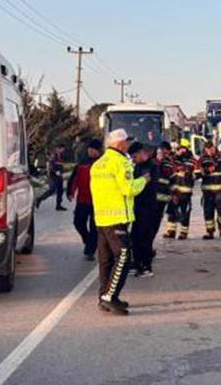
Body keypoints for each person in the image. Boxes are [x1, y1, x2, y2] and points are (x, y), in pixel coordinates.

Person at [90, 129, 149, 315]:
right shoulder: (121, 162)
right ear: (119, 144)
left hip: (102, 218)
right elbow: (128, 189)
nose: (128, 145)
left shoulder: (98, 164)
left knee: (106, 260)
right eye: (126, 141)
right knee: (123, 257)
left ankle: (105, 296)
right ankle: (110, 296)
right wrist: (143, 181)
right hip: (117, 219)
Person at [129, 142, 162, 277]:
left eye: (134, 157)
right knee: (135, 236)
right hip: (137, 206)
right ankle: (136, 263)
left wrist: (140, 184)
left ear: (141, 153)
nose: (133, 160)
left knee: (145, 237)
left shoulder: (152, 167)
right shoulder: (137, 167)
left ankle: (146, 266)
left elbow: (150, 187)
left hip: (148, 207)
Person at [67, 139, 102, 260]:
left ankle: (90, 250)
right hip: (83, 199)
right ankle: (87, 240)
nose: (90, 151)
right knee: (78, 222)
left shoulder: (103, 164)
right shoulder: (82, 163)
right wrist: (70, 192)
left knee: (94, 227)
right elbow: (73, 179)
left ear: (98, 150)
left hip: (98, 201)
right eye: (89, 149)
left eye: (93, 149)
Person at [197, 140, 221, 239]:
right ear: (205, 149)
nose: (210, 151)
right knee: (208, 211)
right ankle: (210, 232)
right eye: (207, 150)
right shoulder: (202, 159)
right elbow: (197, 173)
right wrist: (207, 170)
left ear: (214, 147)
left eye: (211, 149)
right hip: (208, 191)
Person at [164, 143, 195, 239]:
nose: (181, 151)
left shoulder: (192, 161)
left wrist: (189, 174)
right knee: (172, 211)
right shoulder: (173, 160)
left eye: (183, 149)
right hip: (174, 191)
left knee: (185, 212)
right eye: (179, 149)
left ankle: (183, 232)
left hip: (186, 192)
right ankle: (171, 231)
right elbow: (169, 174)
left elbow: (197, 173)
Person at [35, 142, 68, 211]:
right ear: (58, 149)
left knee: (60, 190)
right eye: (62, 149)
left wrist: (62, 171)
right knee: (52, 189)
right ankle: (39, 199)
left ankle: (58, 205)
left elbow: (60, 164)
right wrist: (56, 172)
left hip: (59, 175)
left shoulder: (60, 155)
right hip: (53, 176)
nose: (63, 150)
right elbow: (50, 166)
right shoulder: (54, 156)